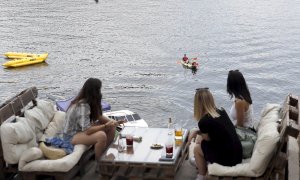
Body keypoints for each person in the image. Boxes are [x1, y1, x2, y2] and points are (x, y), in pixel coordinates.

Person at [63, 78, 123, 160]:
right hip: (71, 135)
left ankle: (103, 153)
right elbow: (87, 130)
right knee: (101, 136)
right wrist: (105, 126)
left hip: (80, 130)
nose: (100, 92)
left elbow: (99, 116)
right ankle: (99, 163)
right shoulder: (83, 105)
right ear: (95, 92)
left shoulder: (90, 102)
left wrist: (114, 122)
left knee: (112, 127)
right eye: (99, 89)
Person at [190, 88, 242, 180]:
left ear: (198, 104)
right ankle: (202, 161)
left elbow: (207, 139)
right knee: (200, 140)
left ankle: (200, 176)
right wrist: (198, 132)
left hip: (227, 159)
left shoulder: (204, 121)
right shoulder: (221, 111)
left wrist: (196, 133)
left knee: (197, 149)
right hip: (237, 154)